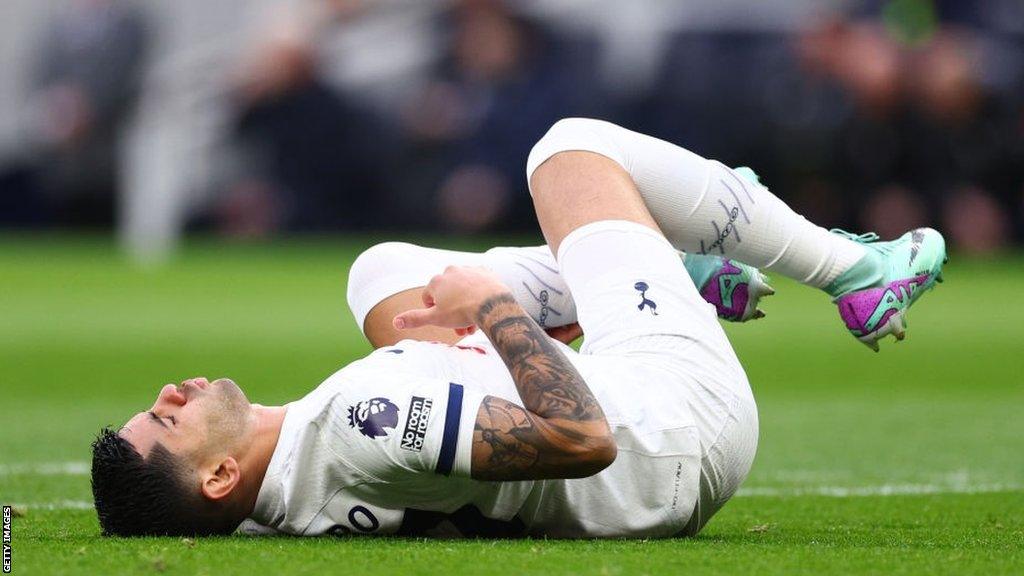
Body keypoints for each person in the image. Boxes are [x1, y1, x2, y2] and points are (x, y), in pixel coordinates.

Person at [90, 118, 947, 538]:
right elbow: (583, 440)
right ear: (218, 476)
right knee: (566, 151)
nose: (171, 392)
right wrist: (490, 317)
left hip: (623, 428)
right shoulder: (363, 427)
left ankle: (666, 253)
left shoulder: (278, 490)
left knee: (380, 278)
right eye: (168, 418)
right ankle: (858, 275)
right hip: (676, 422)